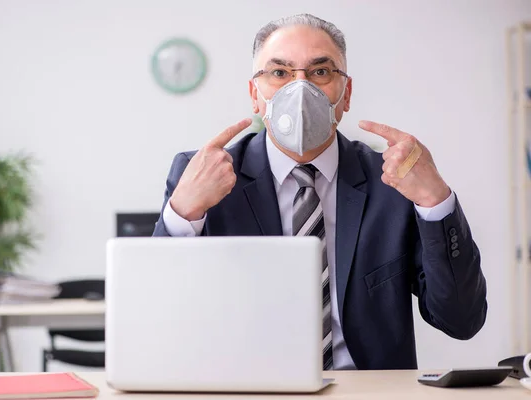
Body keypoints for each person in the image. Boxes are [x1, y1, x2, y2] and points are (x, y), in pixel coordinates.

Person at [153, 13, 487, 370]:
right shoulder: (204, 176)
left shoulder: (393, 182)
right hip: (248, 389)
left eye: (320, 72)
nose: (300, 90)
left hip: (368, 394)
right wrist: (183, 213)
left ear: (346, 95)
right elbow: (157, 315)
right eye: (279, 73)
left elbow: (461, 321)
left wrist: (436, 202)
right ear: (255, 95)